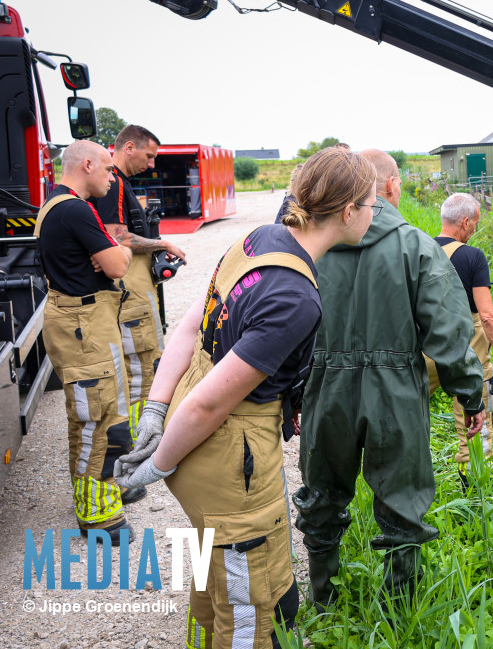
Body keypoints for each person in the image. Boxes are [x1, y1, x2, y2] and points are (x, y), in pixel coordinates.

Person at [114, 147, 378, 649]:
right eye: (371, 206)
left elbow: (192, 324)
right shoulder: (296, 298)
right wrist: (160, 463)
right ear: (348, 212)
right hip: (225, 456)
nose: (372, 215)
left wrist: (154, 410)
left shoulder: (259, 239)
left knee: (210, 574)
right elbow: (211, 406)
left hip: (199, 448)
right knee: (250, 608)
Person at [292, 148, 484, 609]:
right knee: (402, 503)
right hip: (395, 391)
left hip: (326, 388)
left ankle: (325, 601)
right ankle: (399, 612)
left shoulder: (306, 244)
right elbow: (449, 334)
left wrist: (293, 394)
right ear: (390, 186)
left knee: (321, 495)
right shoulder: (416, 245)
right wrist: (471, 396)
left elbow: (284, 326)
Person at [34, 140, 135, 542]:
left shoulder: (54, 205)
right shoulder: (75, 209)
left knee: (90, 417)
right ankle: (98, 518)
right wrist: (120, 251)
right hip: (84, 325)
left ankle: (93, 501)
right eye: (109, 169)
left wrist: (112, 250)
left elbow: (108, 257)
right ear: (87, 165)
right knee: (99, 419)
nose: (113, 178)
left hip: (82, 322)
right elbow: (115, 263)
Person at [92, 125, 187, 449]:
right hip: (131, 296)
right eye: (149, 156)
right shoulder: (115, 184)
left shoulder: (120, 183)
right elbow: (116, 235)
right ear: (128, 147)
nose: (151, 164)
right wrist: (162, 242)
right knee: (141, 371)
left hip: (132, 291)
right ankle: (135, 448)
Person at [429, 192, 493, 482]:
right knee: (476, 419)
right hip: (469, 343)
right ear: (465, 222)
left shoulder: (421, 249)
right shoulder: (473, 256)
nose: (475, 229)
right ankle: (476, 483)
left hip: (424, 343)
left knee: (409, 412)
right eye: (475, 223)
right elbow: (488, 316)